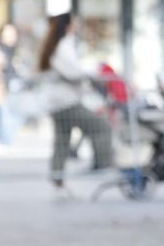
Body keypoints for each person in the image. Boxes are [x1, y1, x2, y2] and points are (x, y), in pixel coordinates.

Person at [36, 12, 118, 191]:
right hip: (66, 102)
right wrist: (91, 75)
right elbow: (73, 72)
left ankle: (57, 177)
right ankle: (103, 164)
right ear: (67, 26)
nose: (77, 26)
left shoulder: (57, 45)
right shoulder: (62, 46)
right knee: (101, 126)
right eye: (74, 23)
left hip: (58, 103)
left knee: (62, 140)